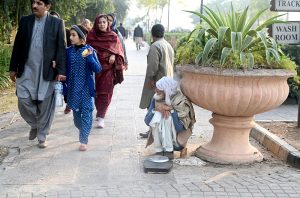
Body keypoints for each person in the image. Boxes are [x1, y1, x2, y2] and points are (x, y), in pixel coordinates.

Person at [9, 0, 66, 148]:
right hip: (26, 69)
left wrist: (60, 70)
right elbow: (18, 45)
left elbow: (61, 47)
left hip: (46, 70)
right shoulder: (25, 21)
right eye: (34, 2)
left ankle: (42, 136)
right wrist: (13, 67)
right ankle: (35, 124)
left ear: (47, 6)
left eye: (39, 3)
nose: (34, 6)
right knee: (23, 100)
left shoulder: (57, 23)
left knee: (45, 105)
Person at [66, 25, 102, 151]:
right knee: (76, 118)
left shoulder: (89, 50)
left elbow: (98, 69)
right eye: (70, 35)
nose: (70, 37)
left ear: (81, 38)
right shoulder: (68, 51)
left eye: (73, 35)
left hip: (86, 89)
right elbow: (64, 68)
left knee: (86, 114)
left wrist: (90, 57)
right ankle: (83, 129)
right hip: (73, 89)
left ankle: (83, 140)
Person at [87, 14, 125, 128]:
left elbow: (120, 51)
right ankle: (100, 112)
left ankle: (101, 117)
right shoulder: (91, 36)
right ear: (96, 24)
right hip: (94, 70)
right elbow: (86, 50)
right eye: (99, 22)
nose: (102, 24)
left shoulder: (113, 36)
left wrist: (114, 54)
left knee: (106, 93)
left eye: (104, 22)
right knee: (96, 94)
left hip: (108, 69)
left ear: (107, 23)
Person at [144, 77, 196, 159]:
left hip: (177, 141)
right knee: (157, 115)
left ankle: (169, 150)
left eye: (159, 89)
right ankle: (159, 150)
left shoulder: (180, 101)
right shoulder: (156, 98)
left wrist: (172, 111)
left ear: (167, 90)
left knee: (167, 118)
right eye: (156, 88)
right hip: (160, 144)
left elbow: (180, 128)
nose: (156, 91)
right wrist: (156, 110)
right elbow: (147, 121)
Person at [139, 24, 175, 138]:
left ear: (152, 34)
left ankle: (153, 131)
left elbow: (153, 66)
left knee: (152, 105)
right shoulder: (168, 45)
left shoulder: (155, 46)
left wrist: (150, 78)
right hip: (167, 81)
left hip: (157, 82)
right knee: (161, 106)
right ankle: (158, 131)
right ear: (163, 33)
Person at [49, 10, 72, 114]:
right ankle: (50, 105)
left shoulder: (65, 31)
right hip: (49, 63)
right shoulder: (45, 33)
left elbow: (67, 46)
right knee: (54, 84)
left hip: (63, 60)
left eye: (55, 18)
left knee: (64, 83)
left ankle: (68, 103)